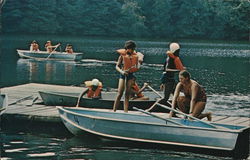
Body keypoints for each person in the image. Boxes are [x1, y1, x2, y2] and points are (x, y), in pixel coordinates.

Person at [113, 40, 141, 112]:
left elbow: (137, 66)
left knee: (127, 94)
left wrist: (140, 62)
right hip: (122, 74)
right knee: (120, 93)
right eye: (132, 49)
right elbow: (117, 66)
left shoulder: (134, 56)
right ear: (128, 48)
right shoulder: (122, 56)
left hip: (130, 75)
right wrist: (122, 72)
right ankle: (114, 110)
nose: (133, 50)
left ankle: (126, 111)